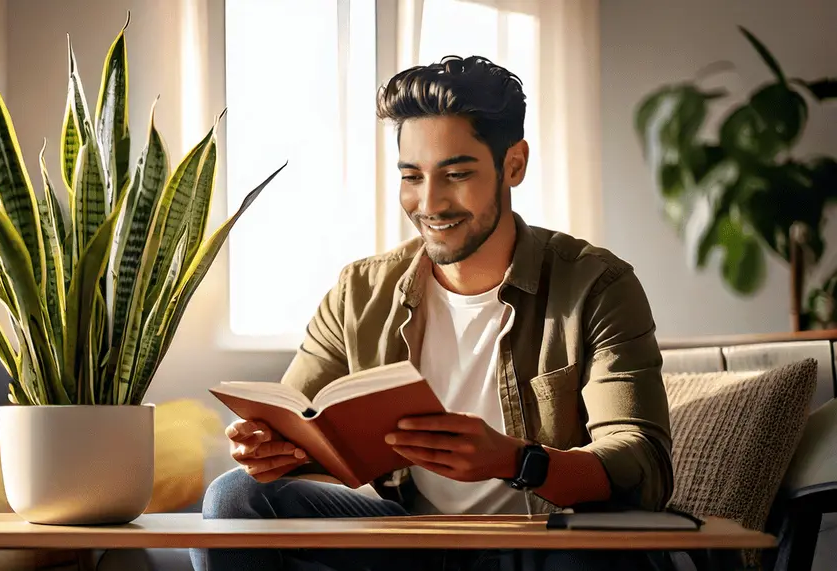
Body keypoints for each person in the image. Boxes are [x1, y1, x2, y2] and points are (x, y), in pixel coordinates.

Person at [190, 55, 676, 571]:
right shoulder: (360, 292)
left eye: (457, 174)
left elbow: (643, 461)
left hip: (541, 544)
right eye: (412, 176)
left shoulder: (596, 286)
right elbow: (304, 427)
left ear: (514, 164)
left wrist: (516, 461)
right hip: (408, 543)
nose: (430, 202)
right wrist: (273, 450)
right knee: (235, 497)